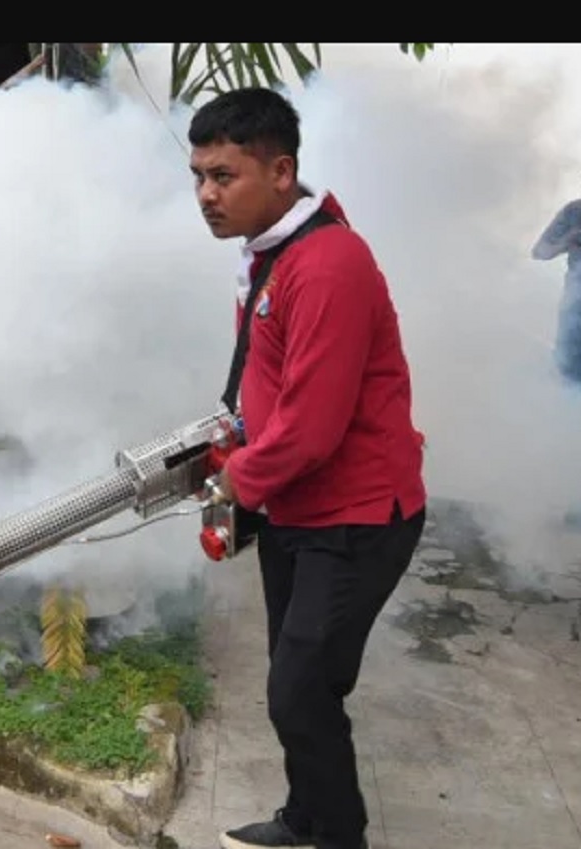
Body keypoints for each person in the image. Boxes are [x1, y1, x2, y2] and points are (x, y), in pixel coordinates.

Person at [186, 87, 428, 849]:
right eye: (198, 175)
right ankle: (307, 817)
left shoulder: (325, 263)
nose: (206, 195)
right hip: (296, 508)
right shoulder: (271, 255)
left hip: (356, 515)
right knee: (296, 681)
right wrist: (229, 442)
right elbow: (272, 385)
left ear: (281, 171)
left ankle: (337, 836)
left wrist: (235, 481)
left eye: (224, 176)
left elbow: (314, 426)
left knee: (299, 690)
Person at [530, 196, 581, 387]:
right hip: (576, 310)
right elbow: (540, 252)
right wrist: (569, 239)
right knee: (569, 373)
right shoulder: (575, 211)